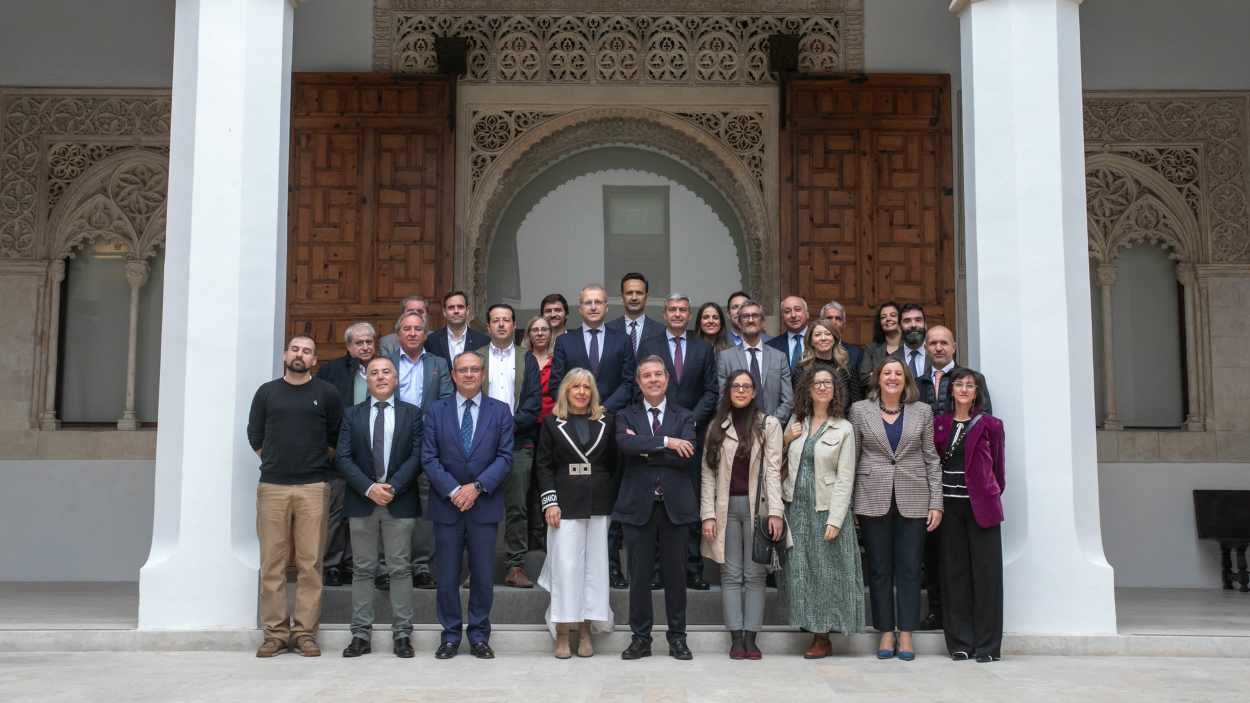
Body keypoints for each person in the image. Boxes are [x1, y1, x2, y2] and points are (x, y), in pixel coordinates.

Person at [247, 336, 344, 658]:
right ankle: (274, 634)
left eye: (307, 351)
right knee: (272, 564)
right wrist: (274, 459)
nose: (300, 355)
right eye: (295, 349)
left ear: (315, 359)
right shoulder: (267, 392)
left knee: (310, 563)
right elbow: (254, 434)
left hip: (313, 487)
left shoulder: (326, 394)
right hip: (273, 486)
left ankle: (304, 633)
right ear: (285, 354)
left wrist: (313, 462)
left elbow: (335, 435)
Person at [421, 351, 515, 660]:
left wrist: (475, 488)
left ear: (483, 374)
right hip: (447, 506)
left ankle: (478, 635)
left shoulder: (501, 411)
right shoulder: (436, 411)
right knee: (446, 575)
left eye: (475, 369)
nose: (470, 374)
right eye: (463, 370)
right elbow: (429, 458)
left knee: (483, 574)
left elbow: (505, 457)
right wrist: (453, 490)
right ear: (453, 375)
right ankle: (449, 636)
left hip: (483, 504)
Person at [849, 357, 942, 662]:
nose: (892, 377)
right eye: (887, 373)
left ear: (906, 380)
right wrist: (850, 505)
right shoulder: (860, 410)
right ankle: (886, 631)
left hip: (914, 496)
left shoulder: (923, 412)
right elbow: (853, 456)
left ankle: (906, 634)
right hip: (871, 495)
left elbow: (931, 457)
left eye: (898, 373)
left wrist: (936, 502)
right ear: (878, 378)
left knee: (910, 568)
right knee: (878, 569)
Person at [335, 357, 423, 659]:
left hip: (400, 501)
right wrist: (369, 488)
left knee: (400, 568)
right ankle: (360, 634)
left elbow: (417, 456)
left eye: (387, 372)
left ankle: (402, 634)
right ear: (367, 380)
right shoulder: (352, 415)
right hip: (362, 502)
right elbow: (343, 458)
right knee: (362, 570)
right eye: (375, 373)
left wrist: (393, 487)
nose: (381, 377)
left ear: (396, 379)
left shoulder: (413, 414)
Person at [551, 284, 638, 588]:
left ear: (606, 307)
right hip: (573, 428)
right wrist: (582, 408)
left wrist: (601, 408)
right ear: (579, 307)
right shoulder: (565, 341)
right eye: (587, 302)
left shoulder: (622, 340)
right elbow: (557, 384)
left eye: (598, 302)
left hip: (609, 426)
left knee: (608, 497)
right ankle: (573, 571)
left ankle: (611, 567)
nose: (592, 307)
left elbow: (629, 383)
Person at [615, 356, 698, 661]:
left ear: (667, 379)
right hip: (638, 506)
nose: (653, 380)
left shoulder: (685, 416)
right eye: (646, 376)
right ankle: (640, 638)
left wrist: (647, 447)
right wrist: (666, 441)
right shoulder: (625, 416)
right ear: (638, 382)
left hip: (675, 506)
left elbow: (685, 455)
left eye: (658, 375)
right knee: (638, 577)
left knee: (676, 578)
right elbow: (626, 447)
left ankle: (678, 638)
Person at [700, 370, 783, 660]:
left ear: (755, 391)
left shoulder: (768, 424)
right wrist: (707, 514)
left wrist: (776, 512)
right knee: (731, 574)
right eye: (736, 386)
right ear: (728, 391)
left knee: (755, 574)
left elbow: (773, 470)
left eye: (747, 386)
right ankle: (736, 637)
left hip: (757, 508)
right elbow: (708, 475)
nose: (741, 391)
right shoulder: (716, 426)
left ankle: (752, 636)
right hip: (725, 508)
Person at [781, 368, 865, 659]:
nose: (822, 387)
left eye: (827, 383)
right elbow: (775, 461)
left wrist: (836, 519)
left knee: (827, 572)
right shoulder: (796, 422)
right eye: (816, 382)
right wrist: (784, 440)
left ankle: (823, 636)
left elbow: (846, 477)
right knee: (802, 570)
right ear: (807, 388)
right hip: (796, 506)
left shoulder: (843, 428)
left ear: (835, 390)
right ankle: (810, 626)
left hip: (825, 508)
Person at [638, 294, 719, 590]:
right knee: (659, 502)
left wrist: (689, 422)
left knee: (690, 502)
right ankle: (659, 570)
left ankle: (693, 569)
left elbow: (711, 391)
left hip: (692, 435)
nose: (677, 314)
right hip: (658, 434)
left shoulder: (702, 348)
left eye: (682, 310)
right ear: (664, 313)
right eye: (672, 309)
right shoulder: (649, 346)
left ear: (689, 314)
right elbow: (644, 385)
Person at [534, 368, 617, 659]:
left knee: (594, 570)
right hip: (564, 504)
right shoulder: (551, 422)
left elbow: (614, 464)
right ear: (566, 391)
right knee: (566, 569)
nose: (581, 392)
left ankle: (585, 630)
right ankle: (563, 632)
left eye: (586, 387)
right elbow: (543, 465)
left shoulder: (607, 421)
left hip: (598, 502)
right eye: (575, 387)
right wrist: (550, 502)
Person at [934, 367, 1005, 663]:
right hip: (949, 510)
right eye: (959, 384)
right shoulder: (939, 424)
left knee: (987, 577)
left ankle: (988, 646)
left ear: (977, 392)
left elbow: (999, 471)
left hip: (982, 510)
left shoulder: (991, 424)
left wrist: (986, 493)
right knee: (954, 576)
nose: (963, 389)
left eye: (970, 386)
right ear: (950, 390)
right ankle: (960, 643)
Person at [475, 303, 542, 589]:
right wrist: (489, 432)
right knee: (479, 507)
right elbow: (467, 398)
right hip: (479, 446)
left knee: (517, 508)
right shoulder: (476, 358)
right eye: (495, 320)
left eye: (506, 320)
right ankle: (478, 569)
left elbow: (533, 402)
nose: (501, 325)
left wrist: (505, 427)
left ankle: (515, 566)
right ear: (488, 326)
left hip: (518, 442)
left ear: (514, 326)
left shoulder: (526, 359)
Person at [388, 310, 453, 590]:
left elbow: (448, 400)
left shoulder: (439, 364)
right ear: (398, 334)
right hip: (392, 443)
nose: (413, 333)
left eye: (418, 329)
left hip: (429, 442)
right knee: (390, 500)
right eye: (407, 329)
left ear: (425, 334)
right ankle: (388, 564)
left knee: (427, 503)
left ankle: (422, 565)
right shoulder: (386, 363)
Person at [315, 320, 378, 587]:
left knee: (364, 513)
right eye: (359, 342)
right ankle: (332, 565)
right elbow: (317, 412)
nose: (365, 346)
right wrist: (327, 447)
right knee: (336, 512)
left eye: (369, 342)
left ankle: (355, 564)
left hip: (374, 454)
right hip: (338, 454)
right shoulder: (331, 372)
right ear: (348, 345)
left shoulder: (384, 369)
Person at [716, 300, 793, 422]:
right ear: (739, 323)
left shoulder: (779, 357)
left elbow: (788, 400)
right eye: (745, 316)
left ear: (762, 322)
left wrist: (770, 424)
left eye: (755, 316)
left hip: (773, 429)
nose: (750, 320)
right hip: (737, 430)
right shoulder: (726, 358)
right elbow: (722, 399)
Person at [524, 314, 557, 552]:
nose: (540, 333)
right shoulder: (522, 359)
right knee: (528, 480)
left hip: (551, 425)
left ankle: (545, 533)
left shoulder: (557, 360)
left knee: (546, 478)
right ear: (528, 334)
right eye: (535, 329)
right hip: (527, 425)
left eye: (544, 329)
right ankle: (531, 533)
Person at [919, 325, 994, 415]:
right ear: (926, 349)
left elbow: (985, 419)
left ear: (954, 347)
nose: (938, 348)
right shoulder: (917, 383)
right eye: (933, 343)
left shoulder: (974, 379)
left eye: (944, 343)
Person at [793, 319, 861, 415]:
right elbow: (799, 402)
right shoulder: (802, 368)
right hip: (810, 422)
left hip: (841, 423)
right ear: (810, 341)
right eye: (817, 335)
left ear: (835, 338)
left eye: (828, 334)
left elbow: (855, 400)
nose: (823, 338)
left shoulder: (846, 366)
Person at [607, 272, 665, 353]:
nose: (634, 298)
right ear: (622, 297)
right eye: (629, 293)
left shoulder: (661, 331)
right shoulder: (608, 330)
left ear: (646, 297)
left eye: (639, 293)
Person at [426, 291, 489, 363]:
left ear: (467, 310)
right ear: (444, 312)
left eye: (460, 307)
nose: (456, 311)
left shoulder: (482, 341)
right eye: (451, 308)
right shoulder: (431, 341)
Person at [857, 301, 903, 388]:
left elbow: (912, 376)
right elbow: (864, 378)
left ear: (900, 319)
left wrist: (876, 373)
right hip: (876, 397)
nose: (888, 319)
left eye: (893, 315)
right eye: (883, 317)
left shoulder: (909, 347)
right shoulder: (871, 348)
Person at [766, 295, 810, 371]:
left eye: (798, 310)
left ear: (807, 314)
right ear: (782, 317)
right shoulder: (770, 347)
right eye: (787, 312)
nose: (793, 315)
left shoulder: (820, 341)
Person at [818, 300, 863, 373]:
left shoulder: (856, 353)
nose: (833, 322)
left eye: (838, 319)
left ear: (844, 325)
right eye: (829, 318)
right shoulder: (811, 351)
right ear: (820, 323)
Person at [897, 303, 931, 383]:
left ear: (925, 325)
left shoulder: (937, 356)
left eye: (918, 320)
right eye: (907, 321)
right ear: (899, 327)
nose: (913, 325)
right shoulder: (892, 359)